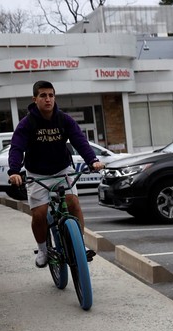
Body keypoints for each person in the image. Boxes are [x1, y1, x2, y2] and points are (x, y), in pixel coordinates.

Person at [7, 80, 104, 267]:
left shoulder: (63, 119)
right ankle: (43, 249)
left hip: (62, 169)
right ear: (35, 99)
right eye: (43, 95)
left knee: (73, 203)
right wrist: (14, 171)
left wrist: (92, 160)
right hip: (37, 173)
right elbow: (17, 147)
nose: (48, 99)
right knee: (39, 213)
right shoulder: (27, 124)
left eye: (51, 95)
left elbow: (79, 140)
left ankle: (79, 244)